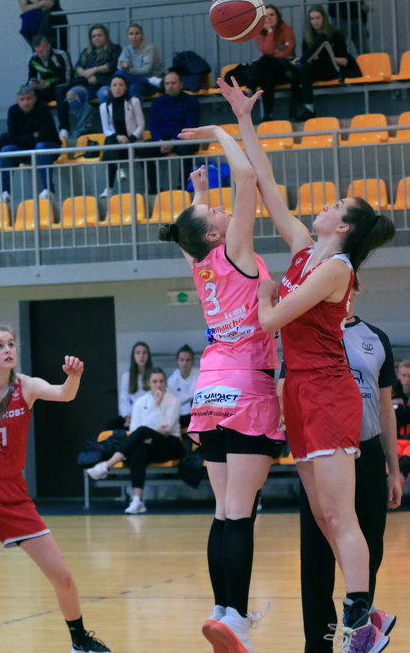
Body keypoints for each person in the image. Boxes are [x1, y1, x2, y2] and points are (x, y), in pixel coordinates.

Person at [219, 75, 395, 653]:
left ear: (343, 227)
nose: (326, 204)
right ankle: (370, 614)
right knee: (322, 517)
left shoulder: (336, 268)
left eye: (337, 206)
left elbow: (271, 320)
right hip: (298, 392)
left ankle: (362, 625)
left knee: (340, 517)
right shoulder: (303, 252)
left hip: (327, 391)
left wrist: (261, 290)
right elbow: (267, 181)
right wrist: (244, 118)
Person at [158, 127, 285, 653]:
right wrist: (218, 132)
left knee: (222, 509)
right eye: (215, 213)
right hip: (247, 386)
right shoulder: (234, 249)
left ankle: (220, 610)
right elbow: (248, 177)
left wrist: (197, 195)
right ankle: (235, 618)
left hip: (209, 393)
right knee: (240, 511)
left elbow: (189, 230)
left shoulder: (199, 260)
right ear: (215, 234)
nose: (223, 211)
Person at [294, 289, 402, 652]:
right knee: (316, 557)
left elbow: (386, 409)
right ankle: (319, 643)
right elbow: (286, 389)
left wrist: (394, 469)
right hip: (322, 454)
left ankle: (359, 633)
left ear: (354, 287)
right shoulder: (306, 333)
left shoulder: (376, 338)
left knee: (369, 546)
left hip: (367, 453)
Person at [0, 324, 110, 653]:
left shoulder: (26, 386)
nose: (8, 349)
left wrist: (74, 377)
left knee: (62, 576)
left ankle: (80, 641)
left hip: (12, 497)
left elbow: (64, 393)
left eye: (11, 343)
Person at [87, 367, 183, 514]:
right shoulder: (140, 401)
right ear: (148, 383)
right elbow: (134, 431)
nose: (158, 385)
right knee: (138, 450)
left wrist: (157, 406)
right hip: (148, 445)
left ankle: (107, 465)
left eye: (161, 381)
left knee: (143, 431)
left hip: (170, 445)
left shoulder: (173, 400)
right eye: (155, 381)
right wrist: (153, 431)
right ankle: (137, 500)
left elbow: (167, 428)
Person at [290, 4, 361, 121]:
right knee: (299, 69)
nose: (315, 21)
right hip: (316, 70)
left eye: (318, 18)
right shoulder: (307, 38)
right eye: (312, 19)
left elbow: (345, 61)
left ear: (324, 18)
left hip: (332, 69)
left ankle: (301, 61)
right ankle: (303, 109)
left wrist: (329, 57)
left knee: (322, 39)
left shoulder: (335, 34)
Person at [0, 84, 60, 203]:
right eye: (22, 99)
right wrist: (32, 136)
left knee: (40, 147)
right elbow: (12, 137)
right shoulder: (13, 110)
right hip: (25, 149)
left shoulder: (43, 108)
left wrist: (24, 138)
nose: (25, 103)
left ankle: (48, 190)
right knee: (6, 150)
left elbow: (45, 135)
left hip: (49, 148)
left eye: (28, 98)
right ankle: (5, 192)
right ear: (18, 101)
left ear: (34, 98)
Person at [146, 71, 200, 189]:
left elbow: (191, 126)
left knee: (187, 147)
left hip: (183, 139)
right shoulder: (157, 102)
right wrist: (160, 142)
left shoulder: (191, 101)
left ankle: (182, 185)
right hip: (162, 140)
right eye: (167, 83)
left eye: (173, 83)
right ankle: (154, 187)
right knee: (144, 149)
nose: (170, 86)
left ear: (181, 85)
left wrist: (173, 142)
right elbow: (153, 126)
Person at [66, 24, 121, 137]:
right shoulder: (86, 52)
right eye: (94, 36)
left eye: (100, 35)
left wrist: (94, 70)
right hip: (87, 84)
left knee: (104, 94)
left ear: (105, 36)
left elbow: (113, 65)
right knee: (71, 95)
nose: (97, 38)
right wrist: (86, 74)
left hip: (105, 83)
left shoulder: (114, 49)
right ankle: (86, 125)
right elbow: (77, 67)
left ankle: (108, 129)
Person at [246, 5, 296, 122]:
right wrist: (269, 32)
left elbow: (288, 50)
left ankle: (251, 87)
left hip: (285, 70)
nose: (269, 18)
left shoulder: (286, 29)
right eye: (266, 16)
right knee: (267, 74)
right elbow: (267, 51)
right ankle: (268, 114)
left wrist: (272, 56)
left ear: (278, 16)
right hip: (271, 70)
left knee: (266, 60)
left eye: (272, 15)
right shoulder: (259, 33)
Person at [99, 74, 145, 198]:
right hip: (116, 143)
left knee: (109, 150)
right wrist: (118, 137)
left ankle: (109, 187)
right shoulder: (104, 107)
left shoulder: (134, 102)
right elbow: (106, 129)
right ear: (110, 88)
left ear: (125, 87)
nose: (117, 88)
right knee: (109, 142)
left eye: (121, 85)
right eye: (114, 85)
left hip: (133, 143)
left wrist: (130, 139)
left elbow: (141, 124)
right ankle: (118, 171)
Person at [27, 33, 72, 139]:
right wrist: (33, 83)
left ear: (49, 46)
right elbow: (31, 76)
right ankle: (35, 128)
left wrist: (49, 83)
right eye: (37, 51)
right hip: (43, 88)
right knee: (29, 93)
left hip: (61, 86)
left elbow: (67, 78)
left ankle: (64, 128)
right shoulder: (33, 57)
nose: (40, 54)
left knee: (60, 92)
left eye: (42, 51)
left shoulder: (61, 55)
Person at [116, 23, 164, 100]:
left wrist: (130, 70)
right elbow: (120, 65)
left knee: (133, 88)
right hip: (139, 79)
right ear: (128, 37)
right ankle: (148, 80)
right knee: (118, 73)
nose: (134, 36)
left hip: (153, 82)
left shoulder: (149, 48)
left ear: (142, 35)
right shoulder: (126, 49)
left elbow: (146, 70)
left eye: (137, 33)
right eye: (131, 34)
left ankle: (149, 80)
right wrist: (124, 65)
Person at [116, 341, 153, 430]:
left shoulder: (153, 376)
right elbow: (124, 400)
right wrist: (128, 416)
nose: (141, 356)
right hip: (132, 415)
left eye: (144, 353)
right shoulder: (126, 377)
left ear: (148, 356)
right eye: (138, 353)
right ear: (134, 356)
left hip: (149, 414)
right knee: (112, 424)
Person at [167, 344, 200, 432]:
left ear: (192, 361)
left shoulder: (199, 375)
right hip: (179, 414)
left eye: (188, 360)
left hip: (195, 414)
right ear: (177, 361)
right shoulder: (172, 380)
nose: (185, 363)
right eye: (182, 360)